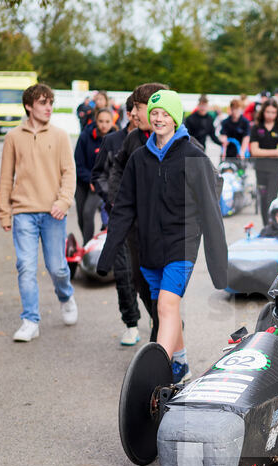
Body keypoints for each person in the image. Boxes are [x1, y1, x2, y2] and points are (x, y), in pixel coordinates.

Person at [97, 89, 228, 384]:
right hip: (148, 247)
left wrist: (220, 264)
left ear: (175, 117)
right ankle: (181, 364)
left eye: (164, 113)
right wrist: (108, 255)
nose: (158, 118)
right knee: (163, 310)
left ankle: (158, 375)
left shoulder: (193, 155)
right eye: (154, 113)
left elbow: (210, 209)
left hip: (181, 244)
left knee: (167, 306)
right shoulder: (139, 157)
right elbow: (125, 206)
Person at [0, 83, 78, 342]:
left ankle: (66, 296)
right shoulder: (13, 137)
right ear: (29, 106)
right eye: (43, 103)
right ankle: (30, 320)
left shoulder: (60, 135)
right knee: (26, 267)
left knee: (57, 268)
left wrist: (63, 202)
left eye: (51, 103)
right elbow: (5, 177)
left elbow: (69, 172)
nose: (49, 108)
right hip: (23, 212)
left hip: (54, 212)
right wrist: (4, 212)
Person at [107, 82, 168, 344]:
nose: (132, 113)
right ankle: (162, 325)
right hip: (136, 231)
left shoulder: (182, 142)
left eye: (138, 108)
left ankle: (165, 345)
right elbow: (116, 172)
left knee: (166, 295)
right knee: (141, 284)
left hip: (169, 233)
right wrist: (119, 203)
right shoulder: (132, 139)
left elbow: (210, 182)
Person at [92, 94, 141, 346]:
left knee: (147, 274)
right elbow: (98, 174)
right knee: (123, 273)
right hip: (120, 220)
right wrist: (110, 199)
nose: (134, 116)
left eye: (138, 111)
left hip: (147, 222)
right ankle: (131, 323)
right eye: (131, 112)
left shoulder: (155, 141)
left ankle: (160, 317)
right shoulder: (112, 140)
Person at [74, 107, 116, 244]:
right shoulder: (85, 136)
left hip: (101, 183)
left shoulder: (116, 139)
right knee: (81, 216)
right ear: (96, 121)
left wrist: (98, 181)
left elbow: (115, 167)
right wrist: (89, 179)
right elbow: (78, 164)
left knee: (88, 212)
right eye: (101, 121)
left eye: (107, 121)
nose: (104, 124)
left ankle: (87, 245)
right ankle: (88, 240)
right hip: (83, 181)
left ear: (112, 122)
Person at [250, 99, 278, 226]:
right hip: (260, 169)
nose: (270, 115)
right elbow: (254, 151)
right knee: (263, 200)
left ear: (277, 114)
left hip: (275, 170)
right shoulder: (256, 128)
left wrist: (264, 151)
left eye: (273, 112)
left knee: (271, 199)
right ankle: (266, 226)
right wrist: (274, 152)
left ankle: (273, 225)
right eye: (268, 112)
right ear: (263, 112)